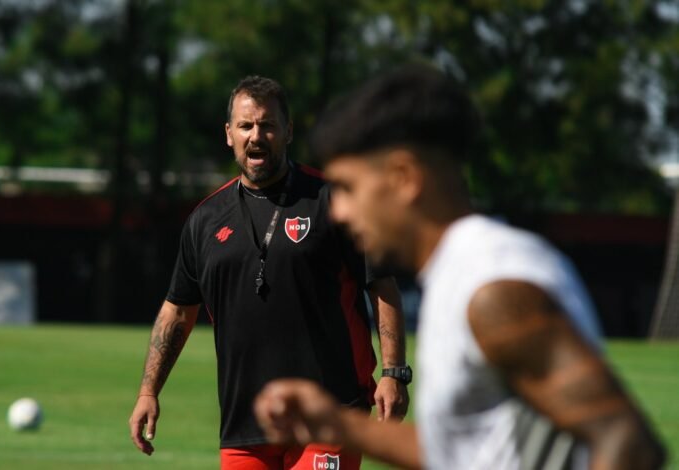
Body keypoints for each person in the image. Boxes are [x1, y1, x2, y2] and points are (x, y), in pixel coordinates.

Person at [254, 64, 667, 470]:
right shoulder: (458, 274)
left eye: (348, 187)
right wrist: (339, 423)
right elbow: (467, 454)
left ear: (403, 177)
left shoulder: (492, 285)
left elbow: (627, 443)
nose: (339, 211)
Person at [128, 75, 409, 470]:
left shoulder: (333, 201)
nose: (256, 136)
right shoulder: (204, 221)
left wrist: (394, 371)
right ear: (229, 134)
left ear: (288, 131)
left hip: (331, 414)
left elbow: (381, 284)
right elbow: (177, 311)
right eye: (245, 125)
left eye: (267, 125)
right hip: (244, 426)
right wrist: (148, 392)